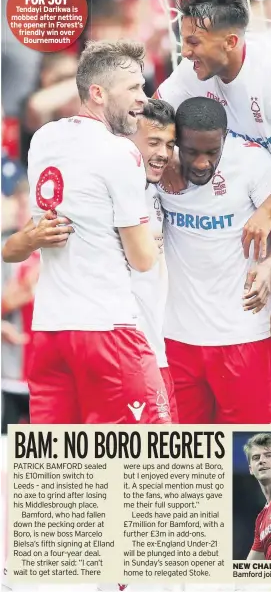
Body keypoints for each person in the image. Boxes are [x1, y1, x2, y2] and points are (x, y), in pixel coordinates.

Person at [157, 0, 271, 429]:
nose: (186, 50)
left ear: (230, 41)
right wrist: (166, 153)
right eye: (182, 39)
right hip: (259, 212)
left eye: (194, 41)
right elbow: (148, 119)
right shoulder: (188, 75)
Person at [6, 39, 171, 425]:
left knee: (60, 469)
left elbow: (34, 231)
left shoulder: (45, 139)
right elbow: (143, 259)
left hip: (50, 332)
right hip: (107, 330)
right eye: (133, 88)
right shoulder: (121, 153)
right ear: (97, 93)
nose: (143, 99)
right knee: (144, 462)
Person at [158, 97, 271, 424]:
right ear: (177, 141)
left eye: (213, 152)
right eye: (192, 152)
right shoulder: (159, 166)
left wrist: (268, 266)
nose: (203, 163)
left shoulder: (251, 162)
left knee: (246, 457)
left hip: (244, 336)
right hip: (176, 338)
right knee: (187, 460)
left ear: (224, 139)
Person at [130, 98, 178, 421]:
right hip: (132, 348)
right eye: (154, 142)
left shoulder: (156, 191)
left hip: (158, 349)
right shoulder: (118, 190)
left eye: (169, 144)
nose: (162, 152)